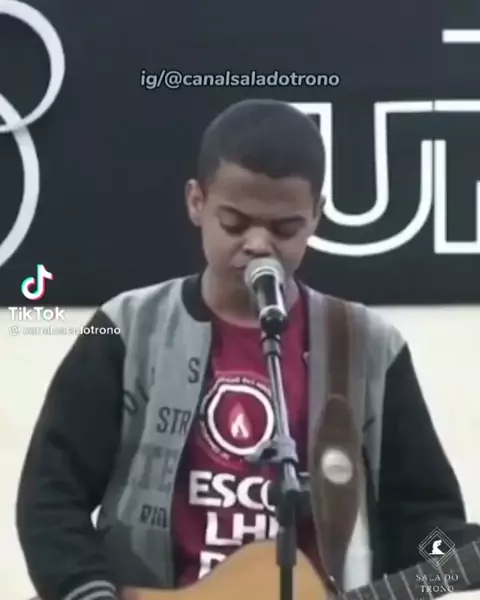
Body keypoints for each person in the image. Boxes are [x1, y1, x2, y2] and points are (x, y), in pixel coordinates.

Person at [16, 99, 480, 600]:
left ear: (316, 216)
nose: (258, 244)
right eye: (235, 223)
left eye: (285, 229)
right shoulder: (126, 328)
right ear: (196, 201)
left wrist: (453, 559)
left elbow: (423, 520)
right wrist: (86, 592)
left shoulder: (370, 347)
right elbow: (52, 495)